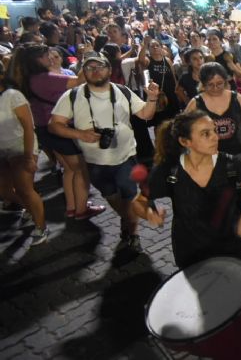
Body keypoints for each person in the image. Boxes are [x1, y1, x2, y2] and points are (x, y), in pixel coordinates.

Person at [49, 52, 160, 252]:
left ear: (109, 70)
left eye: (100, 66)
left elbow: (145, 114)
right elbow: (54, 125)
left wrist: (152, 99)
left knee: (129, 197)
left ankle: (132, 233)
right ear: (83, 72)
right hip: (94, 162)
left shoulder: (122, 91)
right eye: (90, 68)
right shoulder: (73, 96)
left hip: (126, 157)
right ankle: (127, 220)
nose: (95, 71)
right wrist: (79, 134)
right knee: (110, 196)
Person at [141, 110, 241, 268]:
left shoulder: (230, 164)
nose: (215, 137)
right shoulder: (170, 171)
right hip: (191, 250)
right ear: (185, 142)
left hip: (231, 246)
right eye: (206, 134)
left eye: (214, 130)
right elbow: (141, 199)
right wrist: (149, 212)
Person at [7, 44, 102, 220]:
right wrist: (89, 57)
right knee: (80, 169)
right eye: (46, 55)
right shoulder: (44, 78)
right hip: (59, 129)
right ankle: (81, 210)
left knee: (68, 169)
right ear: (36, 60)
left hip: (44, 129)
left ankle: (73, 207)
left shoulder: (28, 78)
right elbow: (79, 81)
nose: (50, 57)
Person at [0, 62, 48, 244]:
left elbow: (29, 128)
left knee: (24, 189)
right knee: (4, 189)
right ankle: (31, 206)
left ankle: (41, 227)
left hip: (21, 147)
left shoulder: (13, 96)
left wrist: (29, 157)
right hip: (2, 150)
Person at [185, 62, 241, 163]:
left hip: (237, 154)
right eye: (210, 85)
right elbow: (182, 129)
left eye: (219, 83)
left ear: (225, 81)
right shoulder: (196, 103)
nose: (215, 88)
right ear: (202, 83)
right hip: (209, 158)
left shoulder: (236, 98)